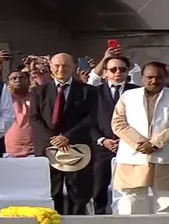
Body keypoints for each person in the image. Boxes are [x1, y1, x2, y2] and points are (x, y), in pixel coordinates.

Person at [29, 53, 98, 215]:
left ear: (73, 67)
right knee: (51, 192)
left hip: (77, 147)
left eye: (65, 66)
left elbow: (91, 118)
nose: (61, 70)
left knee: (79, 193)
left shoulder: (88, 91)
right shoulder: (39, 92)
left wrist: (67, 137)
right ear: (50, 68)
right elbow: (34, 119)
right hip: (48, 148)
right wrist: (52, 140)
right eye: (57, 66)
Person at [112, 62, 169, 214]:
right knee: (132, 199)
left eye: (159, 77)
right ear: (142, 78)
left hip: (164, 157)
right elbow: (118, 123)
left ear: (165, 78)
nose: (154, 81)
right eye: (150, 77)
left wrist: (156, 143)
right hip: (132, 156)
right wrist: (139, 143)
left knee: (166, 200)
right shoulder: (128, 96)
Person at [89, 56, 139, 214]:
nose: (118, 72)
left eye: (122, 69)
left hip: (129, 146)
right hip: (102, 146)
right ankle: (99, 216)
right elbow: (88, 121)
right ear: (105, 72)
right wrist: (102, 140)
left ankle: (129, 215)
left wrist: (127, 140)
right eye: (113, 69)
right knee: (99, 186)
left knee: (130, 187)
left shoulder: (137, 91)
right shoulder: (94, 93)